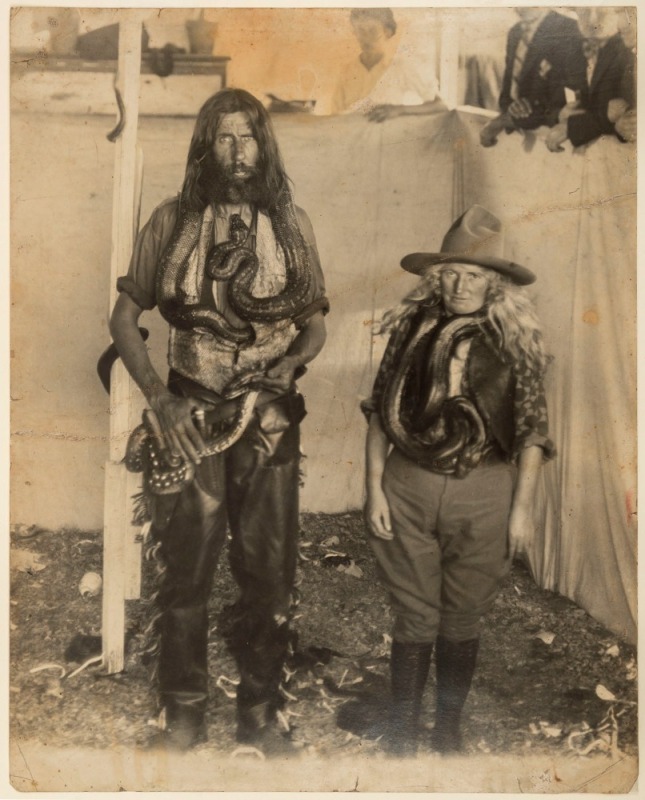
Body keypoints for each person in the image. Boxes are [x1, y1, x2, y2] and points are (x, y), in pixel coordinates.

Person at [109, 88, 329, 753]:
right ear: (205, 146)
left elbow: (314, 324)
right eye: (225, 139)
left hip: (267, 423)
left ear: (264, 146)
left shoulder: (291, 224)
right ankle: (181, 716)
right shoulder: (171, 221)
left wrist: (291, 365)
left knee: (270, 574)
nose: (237, 153)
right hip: (190, 418)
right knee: (185, 575)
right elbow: (124, 318)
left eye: (248, 139)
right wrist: (159, 396)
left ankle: (262, 716)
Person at [361, 205, 554, 756]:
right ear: (434, 277)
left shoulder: (515, 341)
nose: (459, 284)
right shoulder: (412, 329)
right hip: (409, 484)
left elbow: (532, 432)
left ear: (494, 282)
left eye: (472, 274)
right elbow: (380, 409)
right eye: (449, 272)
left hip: (484, 489)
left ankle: (447, 730)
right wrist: (374, 486)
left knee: (462, 612)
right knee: (415, 611)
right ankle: (401, 734)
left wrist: (521, 508)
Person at [480, 8, 586, 147]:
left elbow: (568, 101)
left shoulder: (568, 29)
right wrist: (511, 108)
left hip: (557, 141)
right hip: (524, 138)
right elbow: (507, 94)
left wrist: (504, 120)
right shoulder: (515, 32)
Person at [331, 7, 445, 122]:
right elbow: (335, 117)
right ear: (354, 32)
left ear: (387, 32)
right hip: (354, 138)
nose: (366, 38)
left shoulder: (401, 66)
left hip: (389, 138)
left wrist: (399, 110)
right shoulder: (347, 71)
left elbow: (440, 105)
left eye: (372, 31)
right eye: (360, 30)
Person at [546, 8, 636, 151]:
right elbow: (551, 101)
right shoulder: (572, 51)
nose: (592, 20)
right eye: (585, 10)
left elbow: (622, 113)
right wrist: (560, 114)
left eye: (602, 11)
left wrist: (575, 127)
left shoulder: (629, 49)